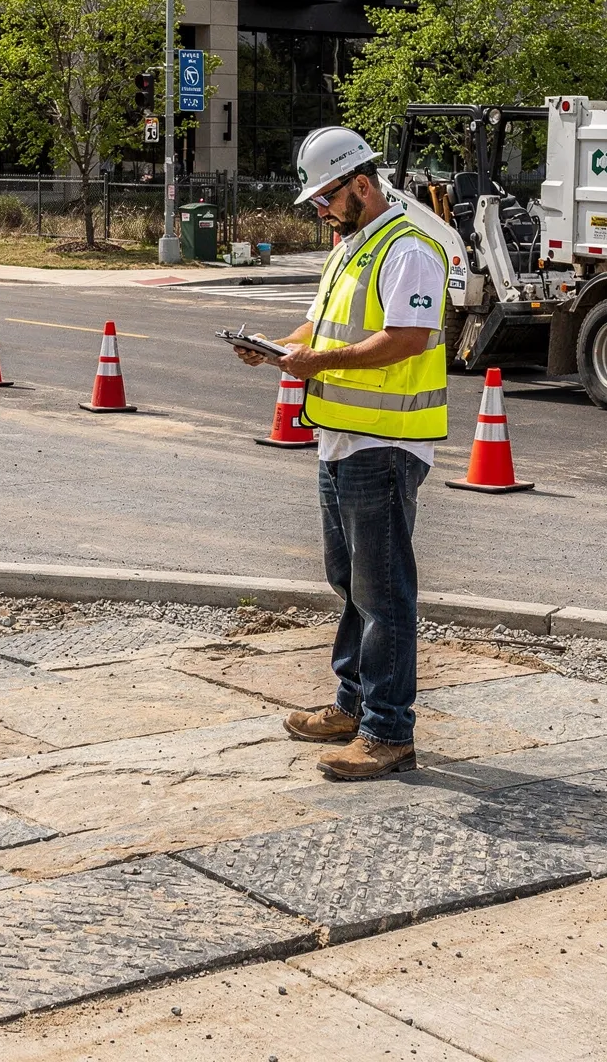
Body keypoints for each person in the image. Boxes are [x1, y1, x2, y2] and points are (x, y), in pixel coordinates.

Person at [233, 126, 449, 781]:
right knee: (351, 586)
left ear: (361, 183)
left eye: (326, 198)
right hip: (340, 440)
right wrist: (277, 346)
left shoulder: (409, 248)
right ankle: (352, 706)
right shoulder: (352, 248)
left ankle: (389, 733)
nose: (320, 210)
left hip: (383, 447)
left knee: (385, 597)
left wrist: (315, 360)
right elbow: (321, 327)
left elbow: (408, 338)